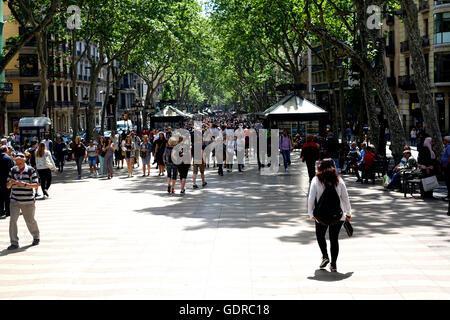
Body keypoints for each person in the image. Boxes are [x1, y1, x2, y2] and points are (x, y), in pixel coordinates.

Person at [308, 158, 352, 272]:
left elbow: (311, 198)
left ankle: (325, 256)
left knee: (320, 235)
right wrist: (349, 213)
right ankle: (333, 264)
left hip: (321, 215)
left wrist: (310, 213)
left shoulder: (316, 180)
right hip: (338, 215)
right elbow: (345, 198)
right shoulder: (339, 180)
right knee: (334, 239)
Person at [6, 152, 40, 250]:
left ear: (24, 160)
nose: (18, 164)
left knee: (30, 221)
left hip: (28, 201)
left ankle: (36, 236)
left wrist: (24, 184)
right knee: (12, 221)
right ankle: (14, 242)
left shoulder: (31, 170)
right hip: (14, 200)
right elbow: (7, 186)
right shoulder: (12, 170)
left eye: (20, 162)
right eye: (17, 162)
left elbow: (36, 185)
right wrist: (10, 183)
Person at [0, 145, 14, 218]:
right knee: (7, 196)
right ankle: (8, 211)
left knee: (1, 196)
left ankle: (1, 211)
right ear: (6, 150)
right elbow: (12, 169)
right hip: (7, 180)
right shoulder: (8, 158)